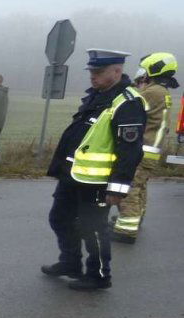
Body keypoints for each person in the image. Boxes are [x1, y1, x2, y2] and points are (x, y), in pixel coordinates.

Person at [41, 49, 147, 291]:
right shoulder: (98, 95)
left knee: (93, 229)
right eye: (91, 71)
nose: (93, 76)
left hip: (98, 182)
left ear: (117, 71)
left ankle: (99, 275)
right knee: (59, 218)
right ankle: (70, 263)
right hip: (75, 175)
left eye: (98, 72)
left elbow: (130, 151)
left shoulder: (128, 103)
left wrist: (118, 188)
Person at [113, 53, 178, 244]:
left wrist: (127, 85)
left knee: (129, 188)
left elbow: (129, 102)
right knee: (140, 187)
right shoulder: (161, 91)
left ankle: (126, 230)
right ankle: (135, 218)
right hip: (152, 151)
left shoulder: (152, 92)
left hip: (142, 149)